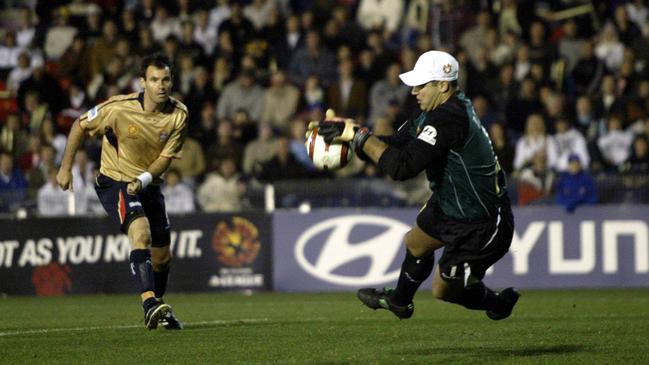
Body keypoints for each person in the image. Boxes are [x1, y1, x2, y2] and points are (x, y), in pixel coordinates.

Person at [313, 50, 519, 320]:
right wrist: (351, 134)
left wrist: (360, 137)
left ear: (443, 85)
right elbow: (395, 146)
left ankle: (496, 303)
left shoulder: (450, 118)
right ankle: (399, 302)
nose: (413, 91)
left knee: (443, 290)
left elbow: (402, 168)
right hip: (451, 202)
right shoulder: (433, 113)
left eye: (421, 85)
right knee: (415, 242)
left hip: (481, 221)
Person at [56, 54, 187, 330]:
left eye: (165, 79)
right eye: (154, 80)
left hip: (148, 185)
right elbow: (79, 124)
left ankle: (158, 307)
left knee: (163, 257)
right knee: (140, 233)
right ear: (143, 82)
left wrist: (144, 179)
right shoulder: (118, 108)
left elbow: (165, 158)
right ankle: (149, 302)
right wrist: (65, 167)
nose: (160, 85)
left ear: (172, 81)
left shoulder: (179, 115)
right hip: (115, 181)